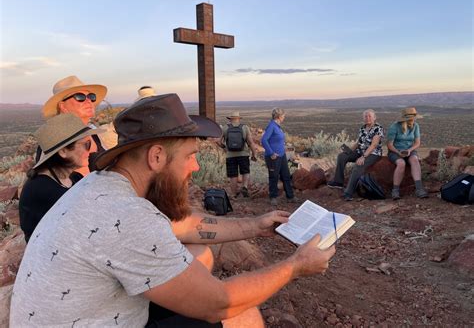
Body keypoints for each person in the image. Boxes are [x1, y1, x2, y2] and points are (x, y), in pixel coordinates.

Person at [11, 94, 335, 327]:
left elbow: (187, 225)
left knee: (199, 261)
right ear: (155, 157)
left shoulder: (103, 184)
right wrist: (295, 266)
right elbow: (218, 303)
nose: (195, 166)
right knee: (240, 315)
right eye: (190, 155)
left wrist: (257, 225)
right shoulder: (126, 215)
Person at [19, 113, 104, 242]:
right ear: (63, 151)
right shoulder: (40, 189)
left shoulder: (75, 179)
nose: (91, 150)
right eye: (86, 144)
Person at [40, 75, 114, 174]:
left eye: (91, 97)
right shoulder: (60, 138)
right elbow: (82, 182)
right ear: (63, 106)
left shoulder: (91, 132)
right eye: (80, 97)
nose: (88, 101)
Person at [327, 109, 384, 201]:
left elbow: (374, 145)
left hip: (373, 154)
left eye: (369, 116)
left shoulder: (378, 128)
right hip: (360, 151)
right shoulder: (362, 128)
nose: (367, 118)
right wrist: (349, 151)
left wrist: (363, 157)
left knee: (358, 165)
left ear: (374, 118)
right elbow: (359, 142)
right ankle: (338, 182)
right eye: (365, 116)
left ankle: (348, 193)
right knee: (342, 156)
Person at [387, 107, 428, 200]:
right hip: (395, 151)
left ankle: (419, 188)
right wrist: (398, 152)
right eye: (411, 118)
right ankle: (395, 190)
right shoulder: (394, 126)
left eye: (413, 118)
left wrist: (410, 150)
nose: (413, 120)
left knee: (414, 160)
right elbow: (389, 144)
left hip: (409, 150)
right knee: (401, 163)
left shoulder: (416, 126)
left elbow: (417, 142)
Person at [261, 107, 298, 206]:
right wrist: (271, 153)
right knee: (274, 177)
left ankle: (290, 196)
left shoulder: (277, 126)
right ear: (278, 116)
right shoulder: (271, 126)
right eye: (283, 116)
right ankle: (273, 197)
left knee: (286, 176)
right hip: (273, 157)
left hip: (281, 156)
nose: (284, 117)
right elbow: (264, 140)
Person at [221, 111, 258, 198]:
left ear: (230, 119)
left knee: (233, 175)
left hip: (230, 155)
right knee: (245, 171)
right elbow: (250, 142)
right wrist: (254, 154)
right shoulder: (244, 127)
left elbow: (219, 141)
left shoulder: (225, 128)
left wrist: (225, 147)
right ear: (238, 119)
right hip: (243, 154)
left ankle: (233, 194)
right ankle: (244, 186)